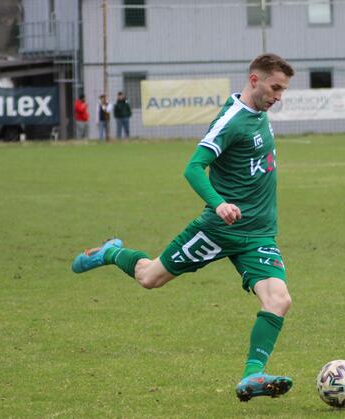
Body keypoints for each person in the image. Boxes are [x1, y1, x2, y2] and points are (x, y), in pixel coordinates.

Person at [71, 54, 295, 402]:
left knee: (279, 299)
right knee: (149, 278)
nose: (279, 96)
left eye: (283, 89)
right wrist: (219, 203)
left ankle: (253, 376)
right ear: (254, 80)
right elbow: (193, 168)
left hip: (258, 234)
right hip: (218, 229)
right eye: (275, 87)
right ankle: (110, 252)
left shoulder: (260, 114)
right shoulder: (231, 121)